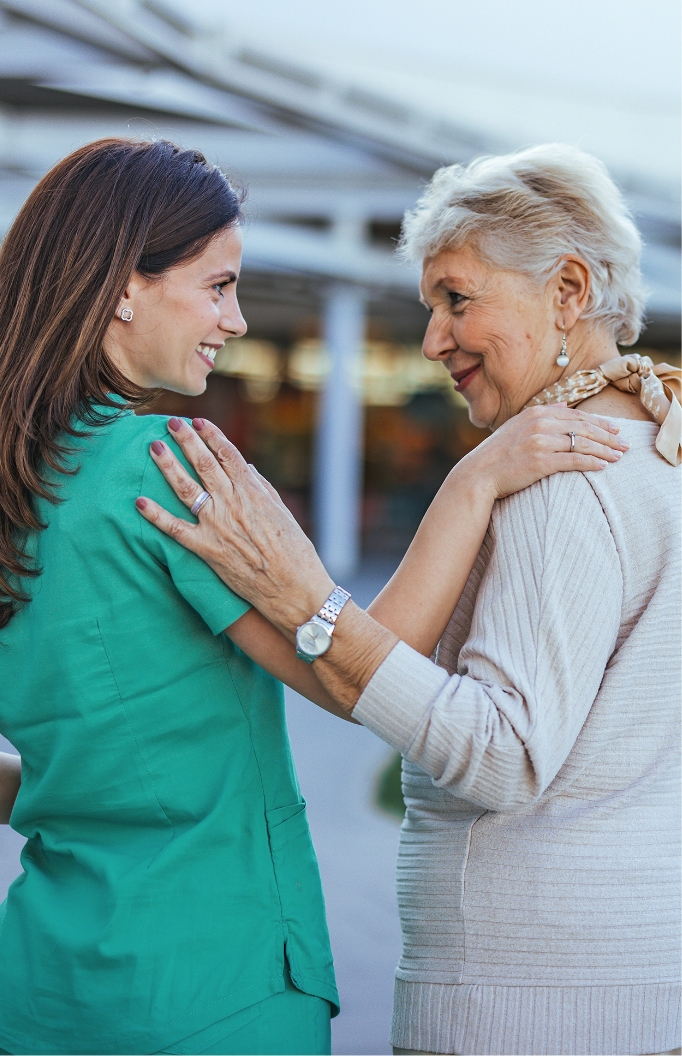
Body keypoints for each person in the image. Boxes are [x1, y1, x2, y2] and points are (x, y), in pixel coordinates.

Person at [0, 137, 620, 1056]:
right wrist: (473, 482)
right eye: (218, 286)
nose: (239, 319)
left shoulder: (21, 485)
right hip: (211, 983)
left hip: (42, 983)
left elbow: (49, 760)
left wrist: (75, 784)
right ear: (124, 287)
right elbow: (357, 668)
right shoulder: (168, 465)